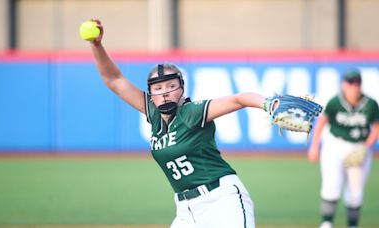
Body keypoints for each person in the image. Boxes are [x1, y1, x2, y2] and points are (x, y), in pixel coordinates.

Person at [87, 19, 305, 228]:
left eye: (171, 86)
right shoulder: (153, 114)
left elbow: (238, 99)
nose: (164, 93)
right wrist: (96, 45)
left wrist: (268, 104)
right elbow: (114, 80)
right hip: (185, 212)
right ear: (151, 94)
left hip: (222, 201)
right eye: (158, 88)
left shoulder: (192, 112)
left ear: (181, 89)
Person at [308, 69, 379, 228]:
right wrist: (314, 146)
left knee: (355, 192)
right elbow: (321, 123)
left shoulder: (370, 104)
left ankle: (352, 225)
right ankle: (326, 223)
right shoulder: (335, 101)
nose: (353, 87)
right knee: (331, 186)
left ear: (360, 85)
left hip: (359, 146)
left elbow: (377, 126)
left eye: (356, 83)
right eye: (350, 83)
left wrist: (366, 146)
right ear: (343, 85)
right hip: (335, 145)